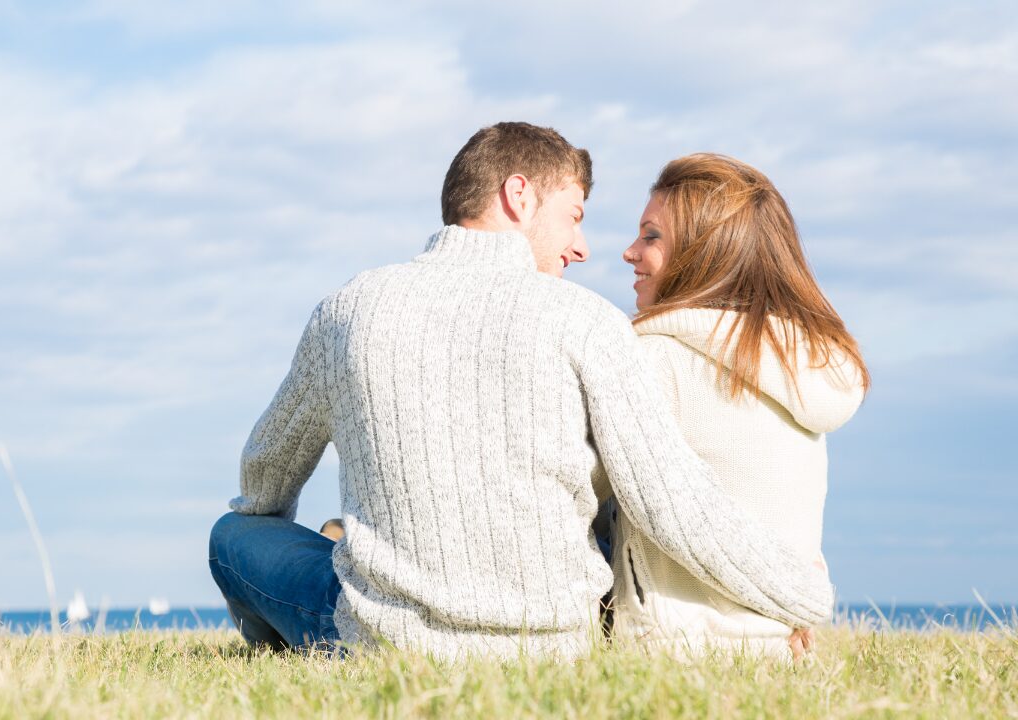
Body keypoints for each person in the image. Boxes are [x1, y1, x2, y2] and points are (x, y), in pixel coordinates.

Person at [208, 123, 834, 661]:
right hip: (554, 644)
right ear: (518, 196)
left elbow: (265, 478)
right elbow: (671, 504)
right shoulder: (588, 321)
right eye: (575, 215)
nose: (583, 246)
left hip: (387, 640)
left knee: (234, 535)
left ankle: (288, 649)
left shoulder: (347, 309)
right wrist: (801, 596)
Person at [612, 153, 868, 659]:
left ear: (703, 252)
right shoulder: (801, 363)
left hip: (670, 651)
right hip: (782, 649)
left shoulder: (652, 358)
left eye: (652, 236)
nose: (629, 251)